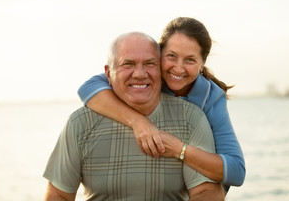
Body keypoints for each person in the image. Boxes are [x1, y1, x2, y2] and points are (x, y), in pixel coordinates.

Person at [43, 32, 225, 201]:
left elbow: (206, 191)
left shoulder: (191, 118)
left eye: (149, 64)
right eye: (127, 64)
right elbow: (59, 195)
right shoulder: (81, 123)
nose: (139, 74)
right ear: (108, 73)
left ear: (160, 69)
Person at [78, 17, 245, 191]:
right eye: (171, 56)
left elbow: (237, 171)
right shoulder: (146, 78)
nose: (178, 69)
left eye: (190, 60)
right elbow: (88, 87)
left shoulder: (211, 97)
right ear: (159, 54)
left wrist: (179, 150)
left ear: (202, 64)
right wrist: (137, 121)